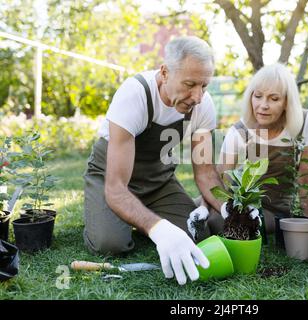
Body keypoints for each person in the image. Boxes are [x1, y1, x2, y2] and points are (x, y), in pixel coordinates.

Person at [83, 36, 226, 285]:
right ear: (164, 72)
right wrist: (159, 229)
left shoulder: (203, 105)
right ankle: (107, 215)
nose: (198, 96)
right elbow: (116, 189)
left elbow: (205, 173)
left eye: (204, 85)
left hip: (158, 182)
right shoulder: (135, 94)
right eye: (190, 84)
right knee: (110, 243)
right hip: (113, 181)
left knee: (198, 233)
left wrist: (230, 208)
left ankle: (162, 211)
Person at [213, 63, 308, 235]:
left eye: (274, 99)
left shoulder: (304, 122)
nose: (263, 105)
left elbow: (307, 176)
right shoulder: (241, 129)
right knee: (197, 211)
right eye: (258, 96)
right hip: (239, 202)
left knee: (240, 225)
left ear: (287, 101)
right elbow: (222, 177)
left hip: (275, 209)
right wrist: (222, 209)